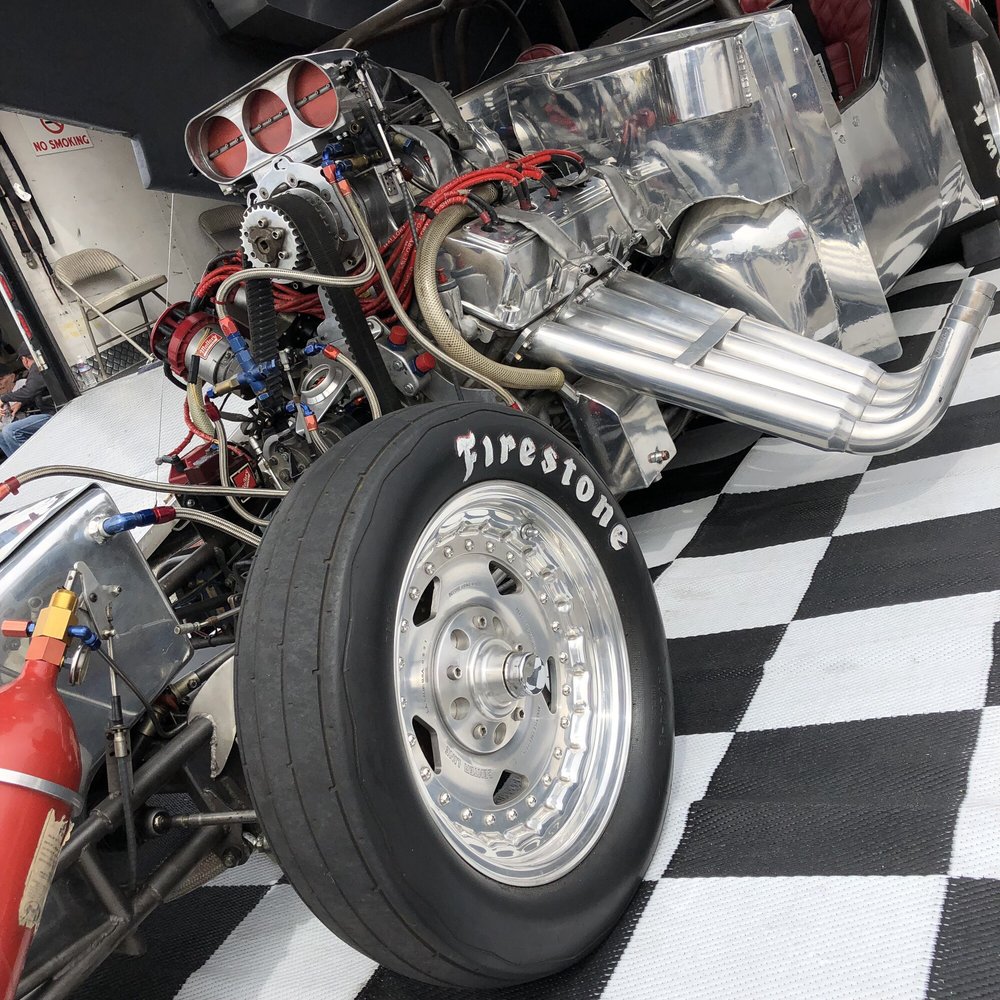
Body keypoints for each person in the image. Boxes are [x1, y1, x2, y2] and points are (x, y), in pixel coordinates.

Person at [0, 352, 55, 458]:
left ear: (12, 377)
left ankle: (29, 461)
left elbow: (31, 392)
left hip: (48, 414)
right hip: (18, 429)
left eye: (1, 379)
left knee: (10, 431)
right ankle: (18, 465)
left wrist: (20, 402)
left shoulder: (25, 382)